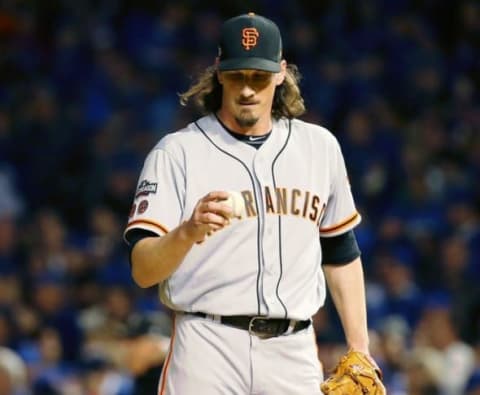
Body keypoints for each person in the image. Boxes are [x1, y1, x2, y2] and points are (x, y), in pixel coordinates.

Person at [124, 12, 384, 395]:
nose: (248, 89)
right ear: (218, 72)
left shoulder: (319, 147)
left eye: (259, 77)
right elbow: (143, 270)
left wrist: (359, 346)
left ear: (280, 73)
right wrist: (186, 232)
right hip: (207, 344)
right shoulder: (177, 153)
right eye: (238, 75)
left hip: (292, 349)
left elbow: (340, 250)